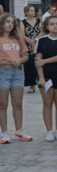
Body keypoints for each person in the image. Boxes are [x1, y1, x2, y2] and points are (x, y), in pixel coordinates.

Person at [35, 15, 57, 142]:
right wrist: (41, 78)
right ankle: (49, 131)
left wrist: (45, 61)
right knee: (47, 103)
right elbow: (38, 61)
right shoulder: (41, 40)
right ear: (47, 26)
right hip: (46, 77)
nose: (55, 26)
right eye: (52, 24)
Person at [0, 13, 31, 143]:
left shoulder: (18, 39)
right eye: (7, 22)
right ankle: (4, 132)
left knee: (18, 104)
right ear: (2, 23)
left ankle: (19, 131)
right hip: (2, 73)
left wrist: (19, 61)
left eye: (12, 22)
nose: (10, 24)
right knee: (2, 104)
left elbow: (26, 56)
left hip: (18, 73)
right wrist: (6, 62)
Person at [21, 5, 41, 94]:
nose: (34, 12)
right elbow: (22, 34)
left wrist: (35, 40)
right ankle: (32, 85)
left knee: (39, 63)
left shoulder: (39, 21)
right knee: (29, 65)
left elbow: (43, 31)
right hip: (28, 45)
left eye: (34, 10)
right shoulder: (22, 22)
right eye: (31, 10)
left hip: (39, 44)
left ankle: (41, 81)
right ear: (26, 12)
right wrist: (30, 41)